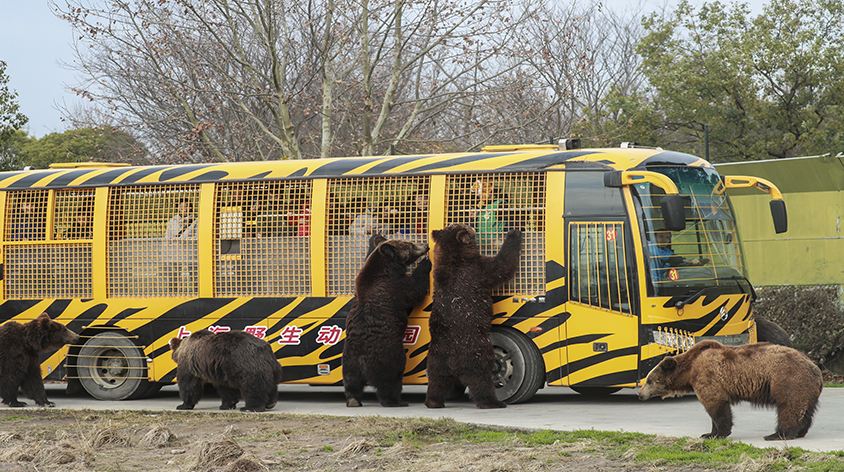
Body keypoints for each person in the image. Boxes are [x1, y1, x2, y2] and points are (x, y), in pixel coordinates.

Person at [165, 199, 198, 292]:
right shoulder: (172, 221)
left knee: (194, 274)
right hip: (175, 252)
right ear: (178, 208)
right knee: (173, 275)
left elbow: (197, 236)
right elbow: (167, 236)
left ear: (191, 207)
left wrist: (183, 240)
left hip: (190, 252)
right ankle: (173, 292)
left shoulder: (195, 221)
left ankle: (197, 291)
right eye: (181, 206)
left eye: (186, 206)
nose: (184, 208)